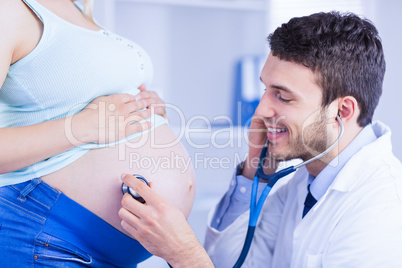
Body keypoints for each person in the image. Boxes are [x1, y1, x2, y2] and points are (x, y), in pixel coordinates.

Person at [118, 11, 402, 267]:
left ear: (342, 110)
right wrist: (256, 165)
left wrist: (182, 254)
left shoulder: (384, 210)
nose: (260, 110)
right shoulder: (305, 182)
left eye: (283, 96)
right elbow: (231, 263)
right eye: (265, 89)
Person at [0, 0, 195, 267]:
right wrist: (84, 126)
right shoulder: (9, 9)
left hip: (105, 252)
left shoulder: (78, 9)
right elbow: (89, 119)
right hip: (49, 239)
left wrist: (142, 107)